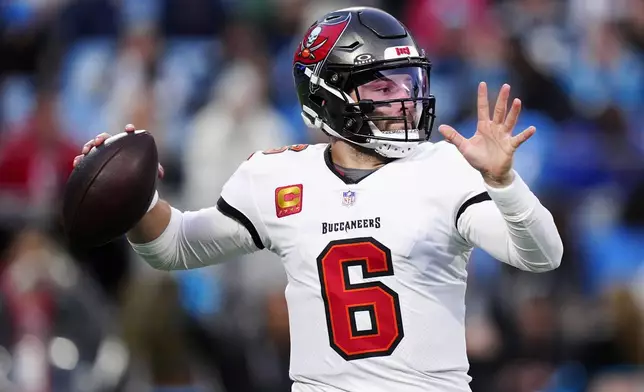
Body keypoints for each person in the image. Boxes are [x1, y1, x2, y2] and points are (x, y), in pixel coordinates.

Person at [73, 7, 563, 392]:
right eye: (382, 86)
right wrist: (131, 197)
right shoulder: (276, 176)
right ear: (327, 96)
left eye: (408, 83)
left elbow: (541, 255)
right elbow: (175, 246)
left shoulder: (444, 167)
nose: (404, 99)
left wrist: (504, 182)